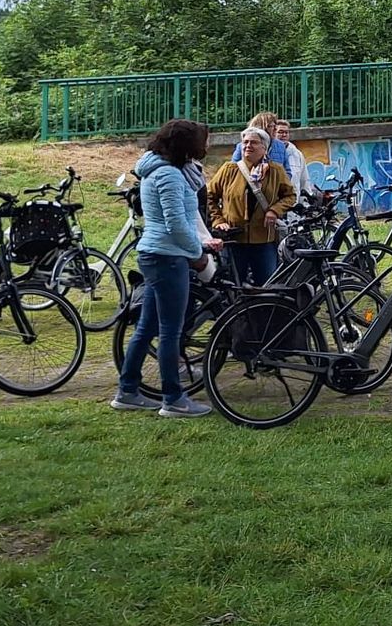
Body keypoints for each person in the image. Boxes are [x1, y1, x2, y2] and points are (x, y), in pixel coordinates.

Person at [112, 119, 220, 419]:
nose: (204, 147)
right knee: (171, 331)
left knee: (146, 328)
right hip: (168, 256)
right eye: (201, 141)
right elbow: (176, 224)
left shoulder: (152, 169)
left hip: (154, 253)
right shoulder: (169, 175)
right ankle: (173, 398)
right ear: (186, 145)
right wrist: (198, 254)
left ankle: (128, 390)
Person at [206, 126, 296, 285]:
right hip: (234, 239)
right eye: (245, 142)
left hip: (263, 240)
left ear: (264, 147)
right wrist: (218, 220)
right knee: (232, 285)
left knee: (266, 285)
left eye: (253, 143)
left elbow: (290, 196)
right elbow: (209, 196)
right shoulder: (229, 170)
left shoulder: (275, 171)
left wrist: (275, 211)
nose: (248, 146)